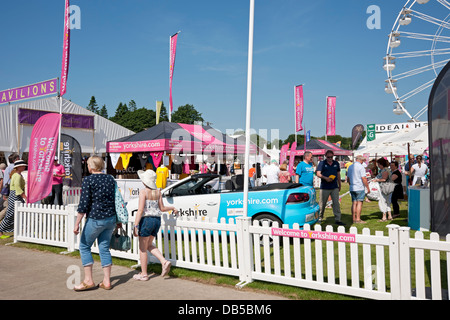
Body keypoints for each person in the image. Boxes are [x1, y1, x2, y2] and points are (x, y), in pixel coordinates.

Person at [73, 156, 118, 291]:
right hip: (110, 218)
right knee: (104, 248)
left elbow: (84, 203)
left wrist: (77, 223)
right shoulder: (110, 178)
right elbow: (116, 199)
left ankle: (88, 280)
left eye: (87, 165)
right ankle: (107, 281)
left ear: (91, 167)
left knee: (84, 246)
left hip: (96, 218)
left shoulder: (89, 180)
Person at [133, 169, 178, 281]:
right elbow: (162, 208)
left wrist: (135, 225)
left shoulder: (143, 192)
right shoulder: (158, 192)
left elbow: (140, 210)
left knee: (143, 248)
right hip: (156, 221)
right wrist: (172, 207)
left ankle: (144, 274)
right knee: (149, 245)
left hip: (146, 221)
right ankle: (164, 261)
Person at [0, 160, 27, 239]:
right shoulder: (17, 175)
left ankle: (23, 229)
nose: (24, 166)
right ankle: (0, 230)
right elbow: (17, 188)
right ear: (18, 167)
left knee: (21, 213)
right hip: (15, 196)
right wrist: (25, 197)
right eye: (23, 165)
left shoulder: (18, 174)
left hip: (16, 196)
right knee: (10, 215)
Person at [316, 150, 344, 225]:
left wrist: (339, 184)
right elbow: (318, 173)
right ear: (325, 156)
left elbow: (338, 174)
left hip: (334, 186)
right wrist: (325, 178)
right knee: (322, 204)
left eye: (331, 157)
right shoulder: (322, 163)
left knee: (336, 204)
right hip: (324, 186)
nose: (330, 158)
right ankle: (319, 218)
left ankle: (338, 219)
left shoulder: (336, 163)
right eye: (328, 157)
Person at [347, 155, 370, 224]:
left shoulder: (350, 167)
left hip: (352, 187)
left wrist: (350, 184)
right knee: (359, 203)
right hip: (359, 187)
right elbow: (364, 178)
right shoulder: (361, 167)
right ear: (361, 160)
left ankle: (353, 218)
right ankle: (358, 219)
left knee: (354, 203)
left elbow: (348, 178)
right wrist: (367, 187)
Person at [372, 158, 392, 222]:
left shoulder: (384, 170)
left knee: (382, 202)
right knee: (388, 202)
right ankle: (389, 215)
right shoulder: (387, 170)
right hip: (389, 187)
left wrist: (376, 180)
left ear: (381, 164)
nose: (378, 166)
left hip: (384, 188)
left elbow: (384, 179)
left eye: (378, 164)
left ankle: (384, 217)